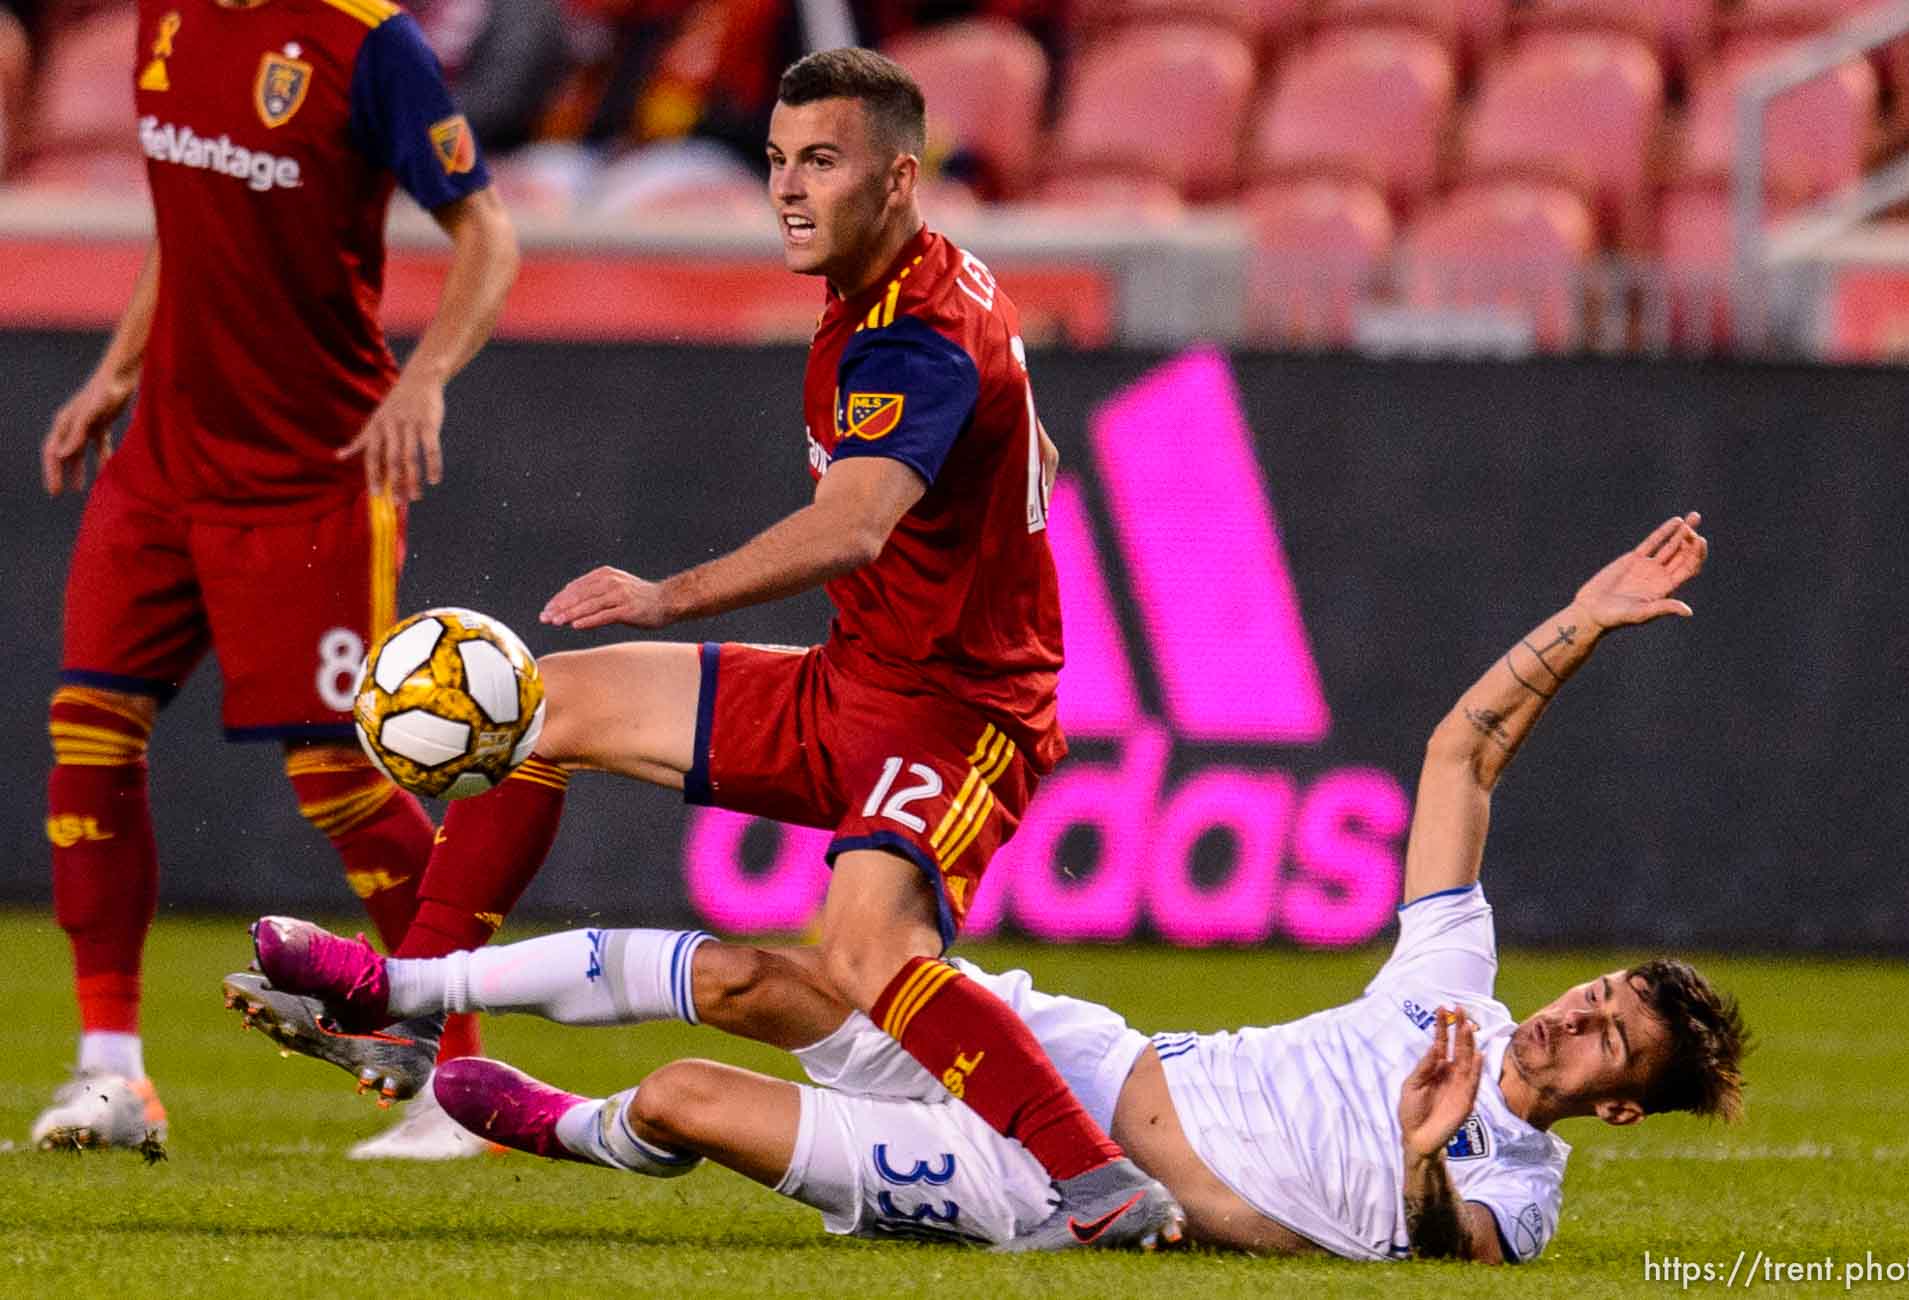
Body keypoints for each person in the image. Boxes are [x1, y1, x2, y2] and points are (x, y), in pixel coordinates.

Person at [231, 44, 1180, 1249]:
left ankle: (1097, 1183)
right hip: (861, 679)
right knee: (544, 704)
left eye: (821, 163)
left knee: (867, 952)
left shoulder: (912, 339)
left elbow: (856, 523)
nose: (787, 188)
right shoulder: (923, 280)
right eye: (779, 160)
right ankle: (408, 1007)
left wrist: (667, 594)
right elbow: (1036, 454)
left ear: (898, 178)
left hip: (958, 714)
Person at [235, 514, 1750, 1258]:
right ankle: (402, 997)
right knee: (778, 970)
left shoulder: (1518, 1189)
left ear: (1620, 1106)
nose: (1569, 1024)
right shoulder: (1454, 991)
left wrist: (1420, 1153)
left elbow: (1442, 1261)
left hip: (1057, 1191)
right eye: (1594, 997)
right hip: (1082, 1061)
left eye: (1608, 1041)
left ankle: (562, 1126)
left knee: (694, 1097)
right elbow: (1459, 758)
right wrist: (1581, 622)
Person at [31, 0, 519, 1161]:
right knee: (88, 731)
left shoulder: (368, 41)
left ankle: (463, 1081)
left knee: (340, 777)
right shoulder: (166, 19)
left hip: (313, 471)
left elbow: (489, 235)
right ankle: (111, 1073)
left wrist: (426, 378)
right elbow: (189, 226)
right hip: (162, 459)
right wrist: (116, 371)